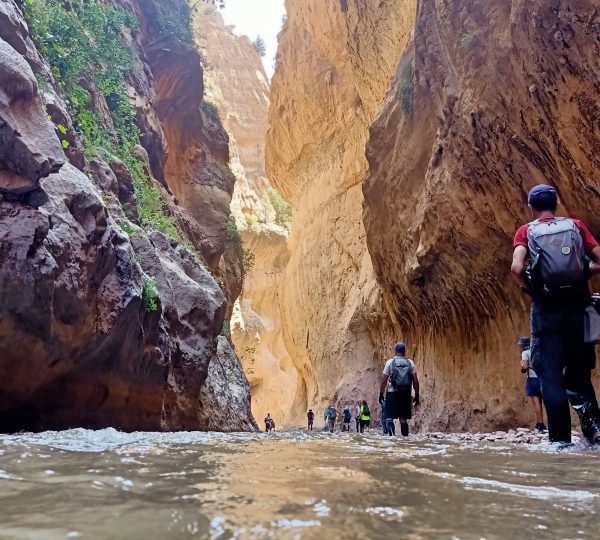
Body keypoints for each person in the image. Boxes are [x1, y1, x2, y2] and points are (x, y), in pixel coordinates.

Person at [511, 184, 600, 444]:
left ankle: (560, 442)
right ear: (557, 203)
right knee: (579, 373)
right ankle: (595, 432)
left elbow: (517, 267)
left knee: (549, 375)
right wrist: (584, 272)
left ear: (531, 207)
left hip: (546, 312)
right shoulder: (575, 226)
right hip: (577, 309)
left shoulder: (526, 231)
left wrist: (531, 288)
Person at [379, 341, 420, 437]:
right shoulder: (410, 363)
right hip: (405, 393)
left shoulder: (390, 362)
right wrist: (417, 395)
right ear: (404, 350)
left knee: (389, 417)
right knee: (403, 418)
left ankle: (391, 439)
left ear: (395, 350)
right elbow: (415, 381)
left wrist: (381, 393)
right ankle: (404, 439)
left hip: (392, 392)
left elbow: (384, 380)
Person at [518, 336, 546, 432]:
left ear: (523, 345)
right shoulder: (536, 351)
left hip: (532, 380)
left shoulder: (525, 353)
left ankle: (540, 424)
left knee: (536, 403)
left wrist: (522, 366)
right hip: (542, 379)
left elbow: (525, 367)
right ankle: (541, 423)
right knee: (541, 402)